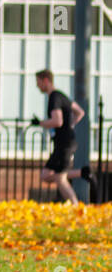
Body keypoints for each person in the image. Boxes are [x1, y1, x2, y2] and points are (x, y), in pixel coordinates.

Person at [32, 69, 92, 205]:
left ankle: (76, 206)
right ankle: (82, 173)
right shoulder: (62, 96)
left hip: (64, 144)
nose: (37, 86)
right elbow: (80, 112)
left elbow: (57, 121)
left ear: (46, 80)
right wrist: (70, 125)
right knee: (46, 176)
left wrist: (39, 123)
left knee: (60, 178)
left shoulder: (54, 97)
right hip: (63, 143)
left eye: (38, 82)